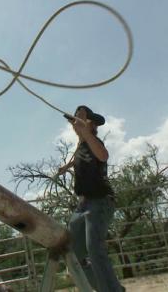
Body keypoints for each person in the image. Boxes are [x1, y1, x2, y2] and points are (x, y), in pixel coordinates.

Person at [56, 105, 125, 292]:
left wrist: (85, 134)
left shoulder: (94, 141)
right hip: (83, 204)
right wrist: (66, 167)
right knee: (74, 252)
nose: (76, 123)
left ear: (92, 124)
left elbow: (103, 156)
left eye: (81, 118)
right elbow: (78, 157)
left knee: (94, 249)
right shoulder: (81, 146)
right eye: (75, 119)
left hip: (100, 200)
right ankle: (111, 288)